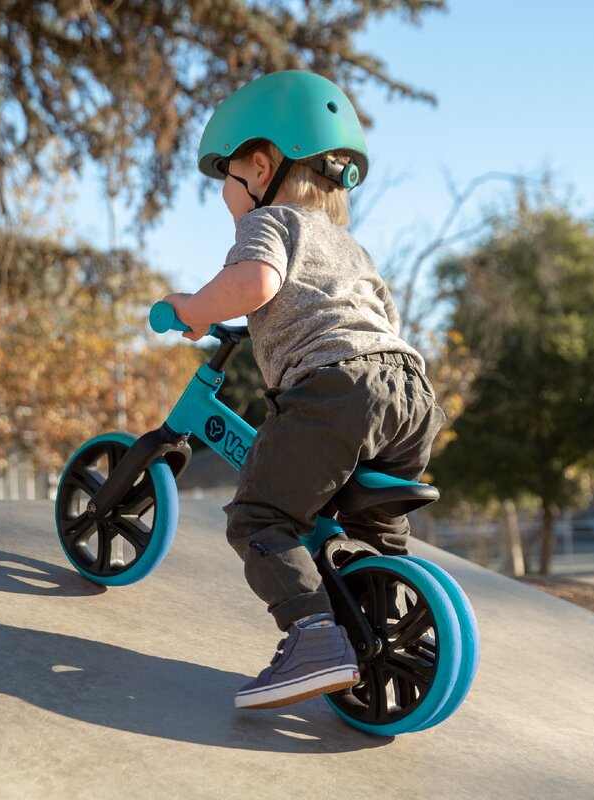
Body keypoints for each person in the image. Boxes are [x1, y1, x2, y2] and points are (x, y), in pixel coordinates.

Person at [163, 70, 444, 710]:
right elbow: (382, 324)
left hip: (338, 388)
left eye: (227, 179)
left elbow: (256, 283)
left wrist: (196, 308)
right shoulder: (349, 247)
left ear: (261, 167)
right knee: (370, 534)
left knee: (261, 516)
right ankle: (377, 629)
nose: (227, 196)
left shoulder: (274, 223)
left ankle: (315, 638)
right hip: (410, 392)